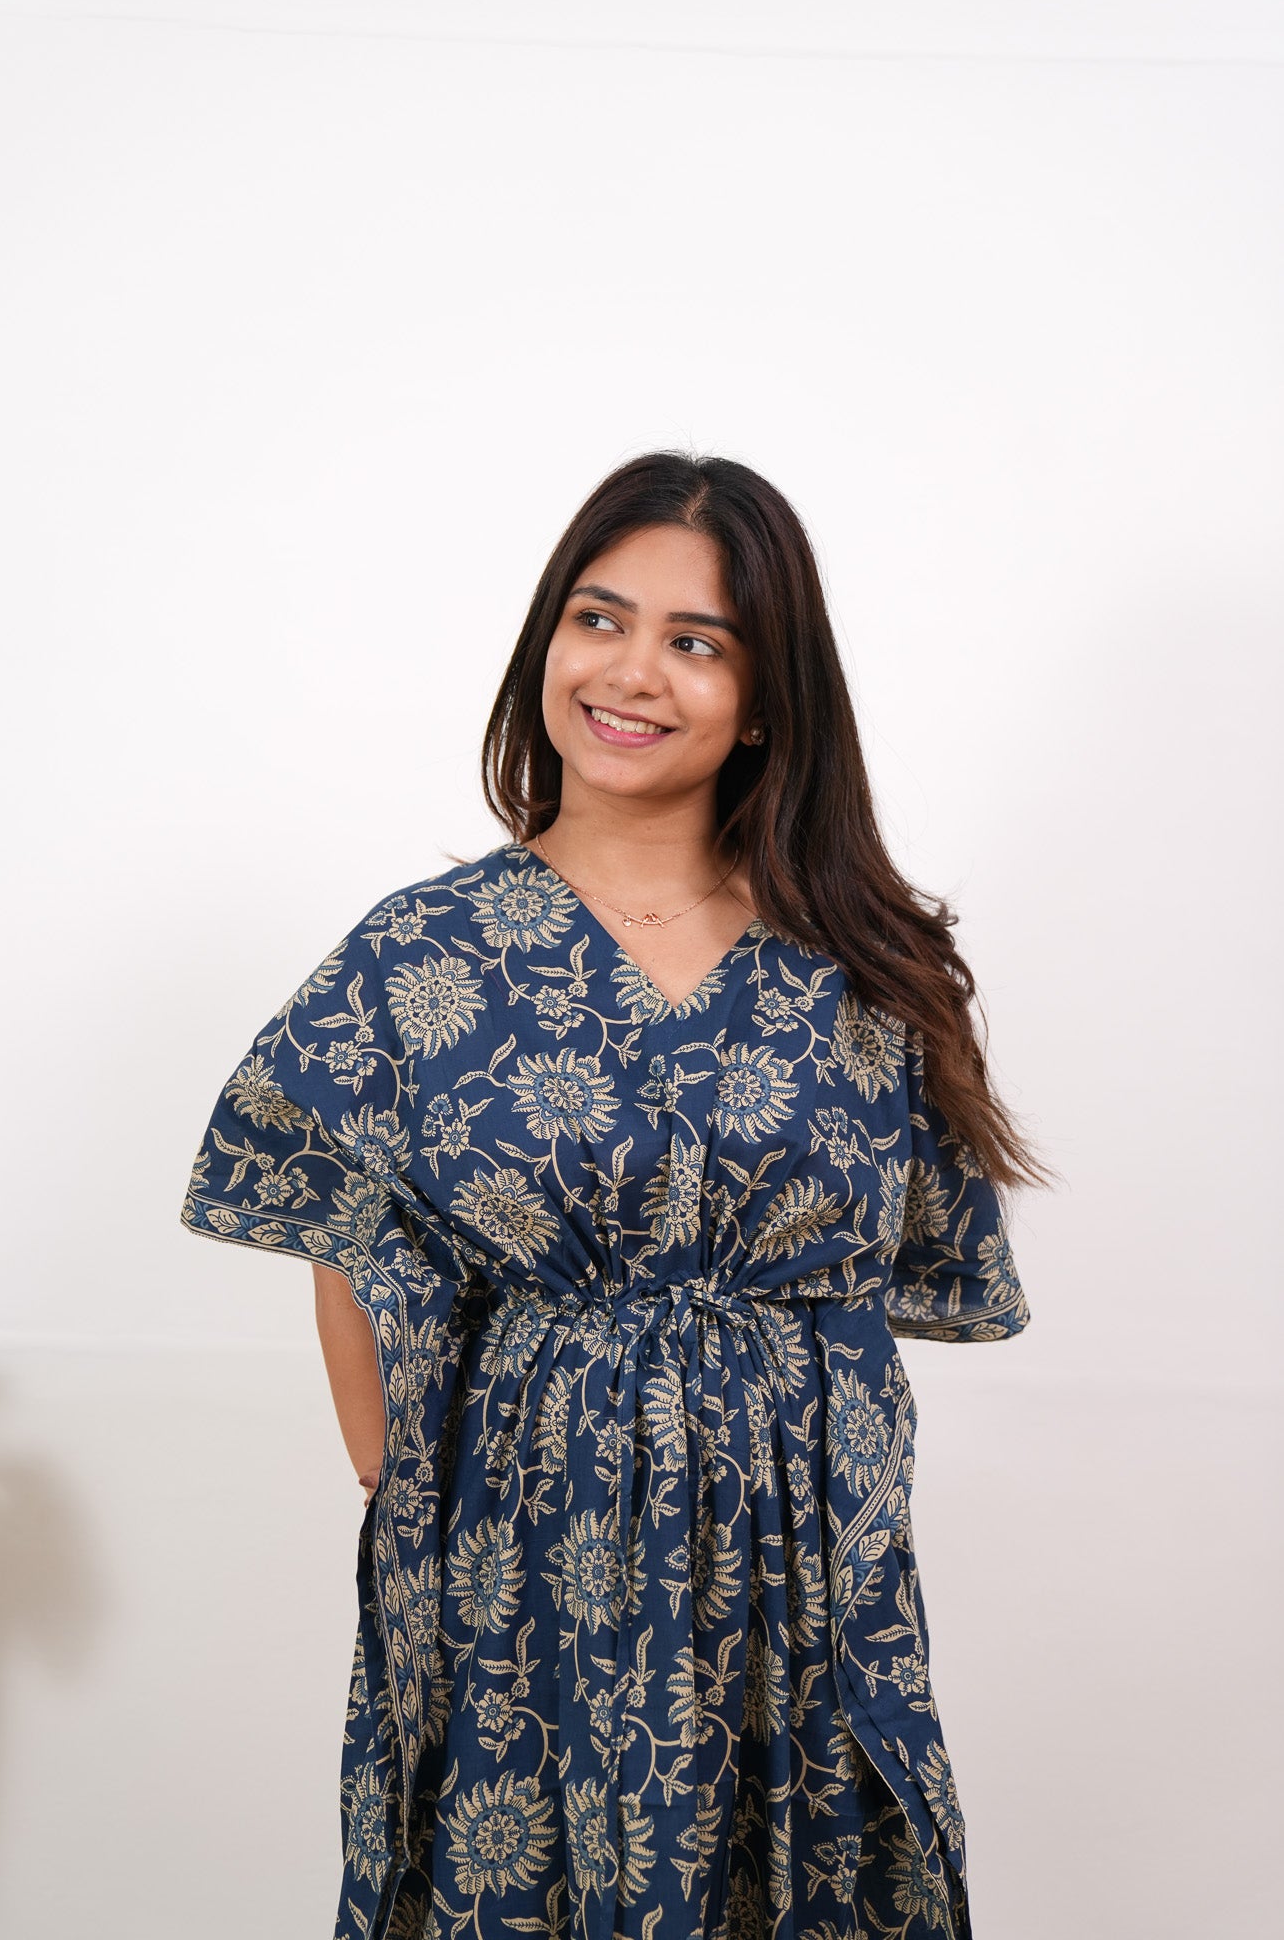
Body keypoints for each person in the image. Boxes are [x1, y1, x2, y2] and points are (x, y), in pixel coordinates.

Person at [181, 451, 1048, 1940]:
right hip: (522, 1553)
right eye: (599, 619)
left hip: (795, 1568)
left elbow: (889, 1281)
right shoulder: (420, 954)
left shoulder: (864, 965)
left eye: (695, 641)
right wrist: (416, 1493)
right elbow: (343, 1228)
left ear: (763, 700)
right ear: (546, 646)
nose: (632, 670)